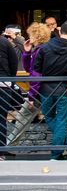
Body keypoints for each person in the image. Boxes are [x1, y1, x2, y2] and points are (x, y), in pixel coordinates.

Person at [34, 20, 67, 160]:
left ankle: (61, 149)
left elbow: (37, 68)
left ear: (60, 32)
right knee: (62, 120)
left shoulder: (45, 47)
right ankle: (58, 152)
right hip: (65, 89)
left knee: (49, 116)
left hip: (46, 89)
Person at [8, 23, 51, 144]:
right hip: (45, 90)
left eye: (30, 34)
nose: (29, 37)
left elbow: (35, 74)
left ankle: (10, 145)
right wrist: (26, 52)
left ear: (36, 36)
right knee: (54, 118)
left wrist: (31, 96)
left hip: (39, 91)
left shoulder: (40, 50)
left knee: (23, 116)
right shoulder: (39, 49)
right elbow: (29, 69)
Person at [0, 22, 19, 159]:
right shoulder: (4, 42)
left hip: (5, 81)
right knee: (1, 117)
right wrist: (11, 79)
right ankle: (1, 149)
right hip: (4, 83)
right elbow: (14, 62)